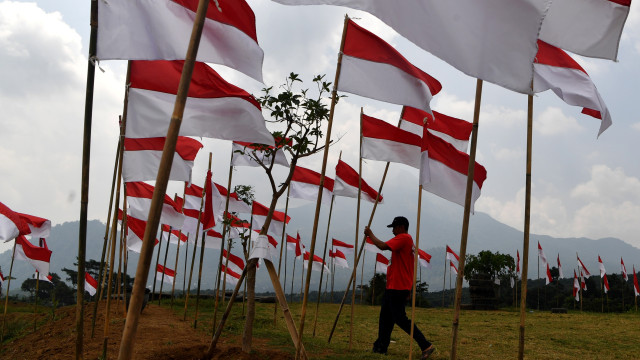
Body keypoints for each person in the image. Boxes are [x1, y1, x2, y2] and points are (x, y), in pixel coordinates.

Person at [364, 216, 435, 359]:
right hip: (394, 286)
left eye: (394, 228)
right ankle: (380, 347)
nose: (393, 232)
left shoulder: (404, 238)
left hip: (398, 287)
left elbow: (383, 246)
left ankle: (426, 345)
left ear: (401, 227)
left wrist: (370, 234)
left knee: (400, 319)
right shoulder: (406, 241)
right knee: (385, 318)